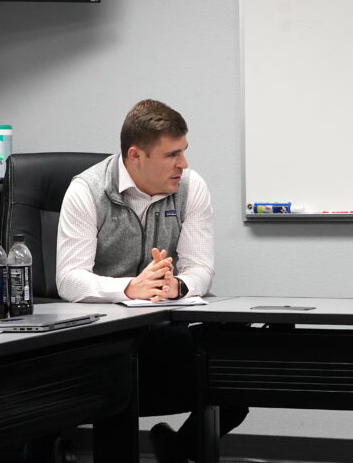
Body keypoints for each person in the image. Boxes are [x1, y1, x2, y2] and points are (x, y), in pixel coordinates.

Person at [56, 99, 247, 462]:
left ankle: (178, 449)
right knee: (121, 380)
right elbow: (68, 279)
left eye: (184, 151)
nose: (183, 164)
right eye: (172, 154)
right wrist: (129, 287)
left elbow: (200, 268)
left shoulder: (191, 187)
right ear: (136, 155)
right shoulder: (86, 190)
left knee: (232, 369)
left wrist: (179, 286)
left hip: (162, 326)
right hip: (105, 336)